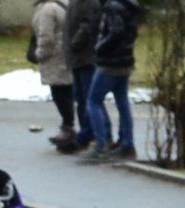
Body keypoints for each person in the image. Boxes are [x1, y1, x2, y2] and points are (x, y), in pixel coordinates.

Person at [85, 0, 135, 159]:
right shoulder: (128, 6)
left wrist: (99, 47)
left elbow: (116, 32)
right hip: (125, 61)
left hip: (109, 63)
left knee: (93, 100)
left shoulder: (112, 7)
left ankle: (101, 144)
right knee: (122, 103)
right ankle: (127, 143)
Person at [30, 0, 79, 153]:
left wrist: (39, 54)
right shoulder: (66, 4)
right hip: (67, 55)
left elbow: (46, 37)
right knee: (67, 92)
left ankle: (68, 129)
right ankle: (71, 128)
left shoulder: (48, 9)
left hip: (54, 58)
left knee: (59, 94)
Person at [58, 0, 98, 151]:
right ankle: (85, 133)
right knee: (81, 98)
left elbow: (87, 25)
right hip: (77, 59)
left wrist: (74, 44)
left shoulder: (87, 2)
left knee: (88, 98)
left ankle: (90, 134)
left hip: (86, 58)